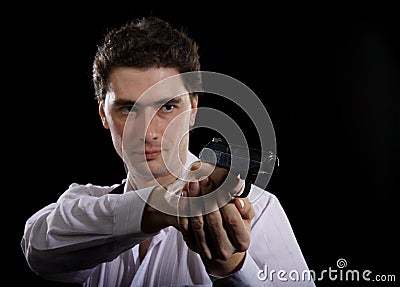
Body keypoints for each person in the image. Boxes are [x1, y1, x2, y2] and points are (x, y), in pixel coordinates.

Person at [21, 16, 315, 286]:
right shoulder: (83, 208)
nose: (149, 132)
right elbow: (39, 249)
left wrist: (234, 268)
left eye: (167, 107)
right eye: (128, 109)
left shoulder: (259, 209)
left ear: (193, 109)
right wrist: (163, 208)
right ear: (103, 114)